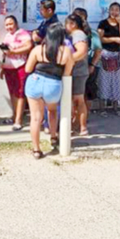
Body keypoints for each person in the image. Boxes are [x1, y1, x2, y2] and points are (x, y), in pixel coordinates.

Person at [24, 22, 75, 158]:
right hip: (53, 84)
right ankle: (53, 137)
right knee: (52, 111)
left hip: (35, 81)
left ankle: (36, 149)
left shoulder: (38, 50)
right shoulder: (66, 51)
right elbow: (67, 73)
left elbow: (27, 69)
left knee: (35, 118)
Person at [0, 15, 33, 130]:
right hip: (9, 68)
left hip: (20, 66)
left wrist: (14, 51)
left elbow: (29, 46)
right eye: (6, 25)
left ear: (16, 24)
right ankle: (14, 116)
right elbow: (4, 53)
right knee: (12, 93)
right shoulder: (7, 36)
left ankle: (19, 120)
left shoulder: (22, 33)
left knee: (20, 93)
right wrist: (3, 67)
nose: (9, 27)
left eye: (11, 24)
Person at [64, 12, 92, 136]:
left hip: (78, 71)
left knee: (78, 100)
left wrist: (67, 60)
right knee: (74, 100)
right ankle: (76, 125)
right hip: (75, 71)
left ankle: (82, 127)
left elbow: (82, 51)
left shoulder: (78, 34)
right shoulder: (75, 34)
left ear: (73, 24)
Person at [97, 2, 120, 112]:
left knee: (117, 80)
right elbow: (100, 38)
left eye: (117, 10)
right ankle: (102, 108)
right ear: (109, 11)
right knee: (104, 80)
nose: (114, 12)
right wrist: (113, 39)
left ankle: (115, 107)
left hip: (117, 54)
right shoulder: (103, 23)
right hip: (105, 53)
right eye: (112, 9)